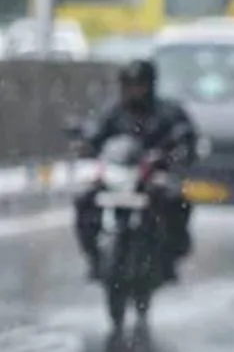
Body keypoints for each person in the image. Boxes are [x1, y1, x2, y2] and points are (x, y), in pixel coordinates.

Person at [72, 59, 197, 283]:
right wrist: (86, 144)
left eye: (140, 85)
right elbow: (95, 134)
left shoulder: (168, 112)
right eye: (130, 85)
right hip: (119, 175)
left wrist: (175, 153)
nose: (135, 91)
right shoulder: (113, 112)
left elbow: (185, 137)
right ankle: (94, 257)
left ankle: (169, 257)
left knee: (176, 201)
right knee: (85, 200)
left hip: (154, 175)